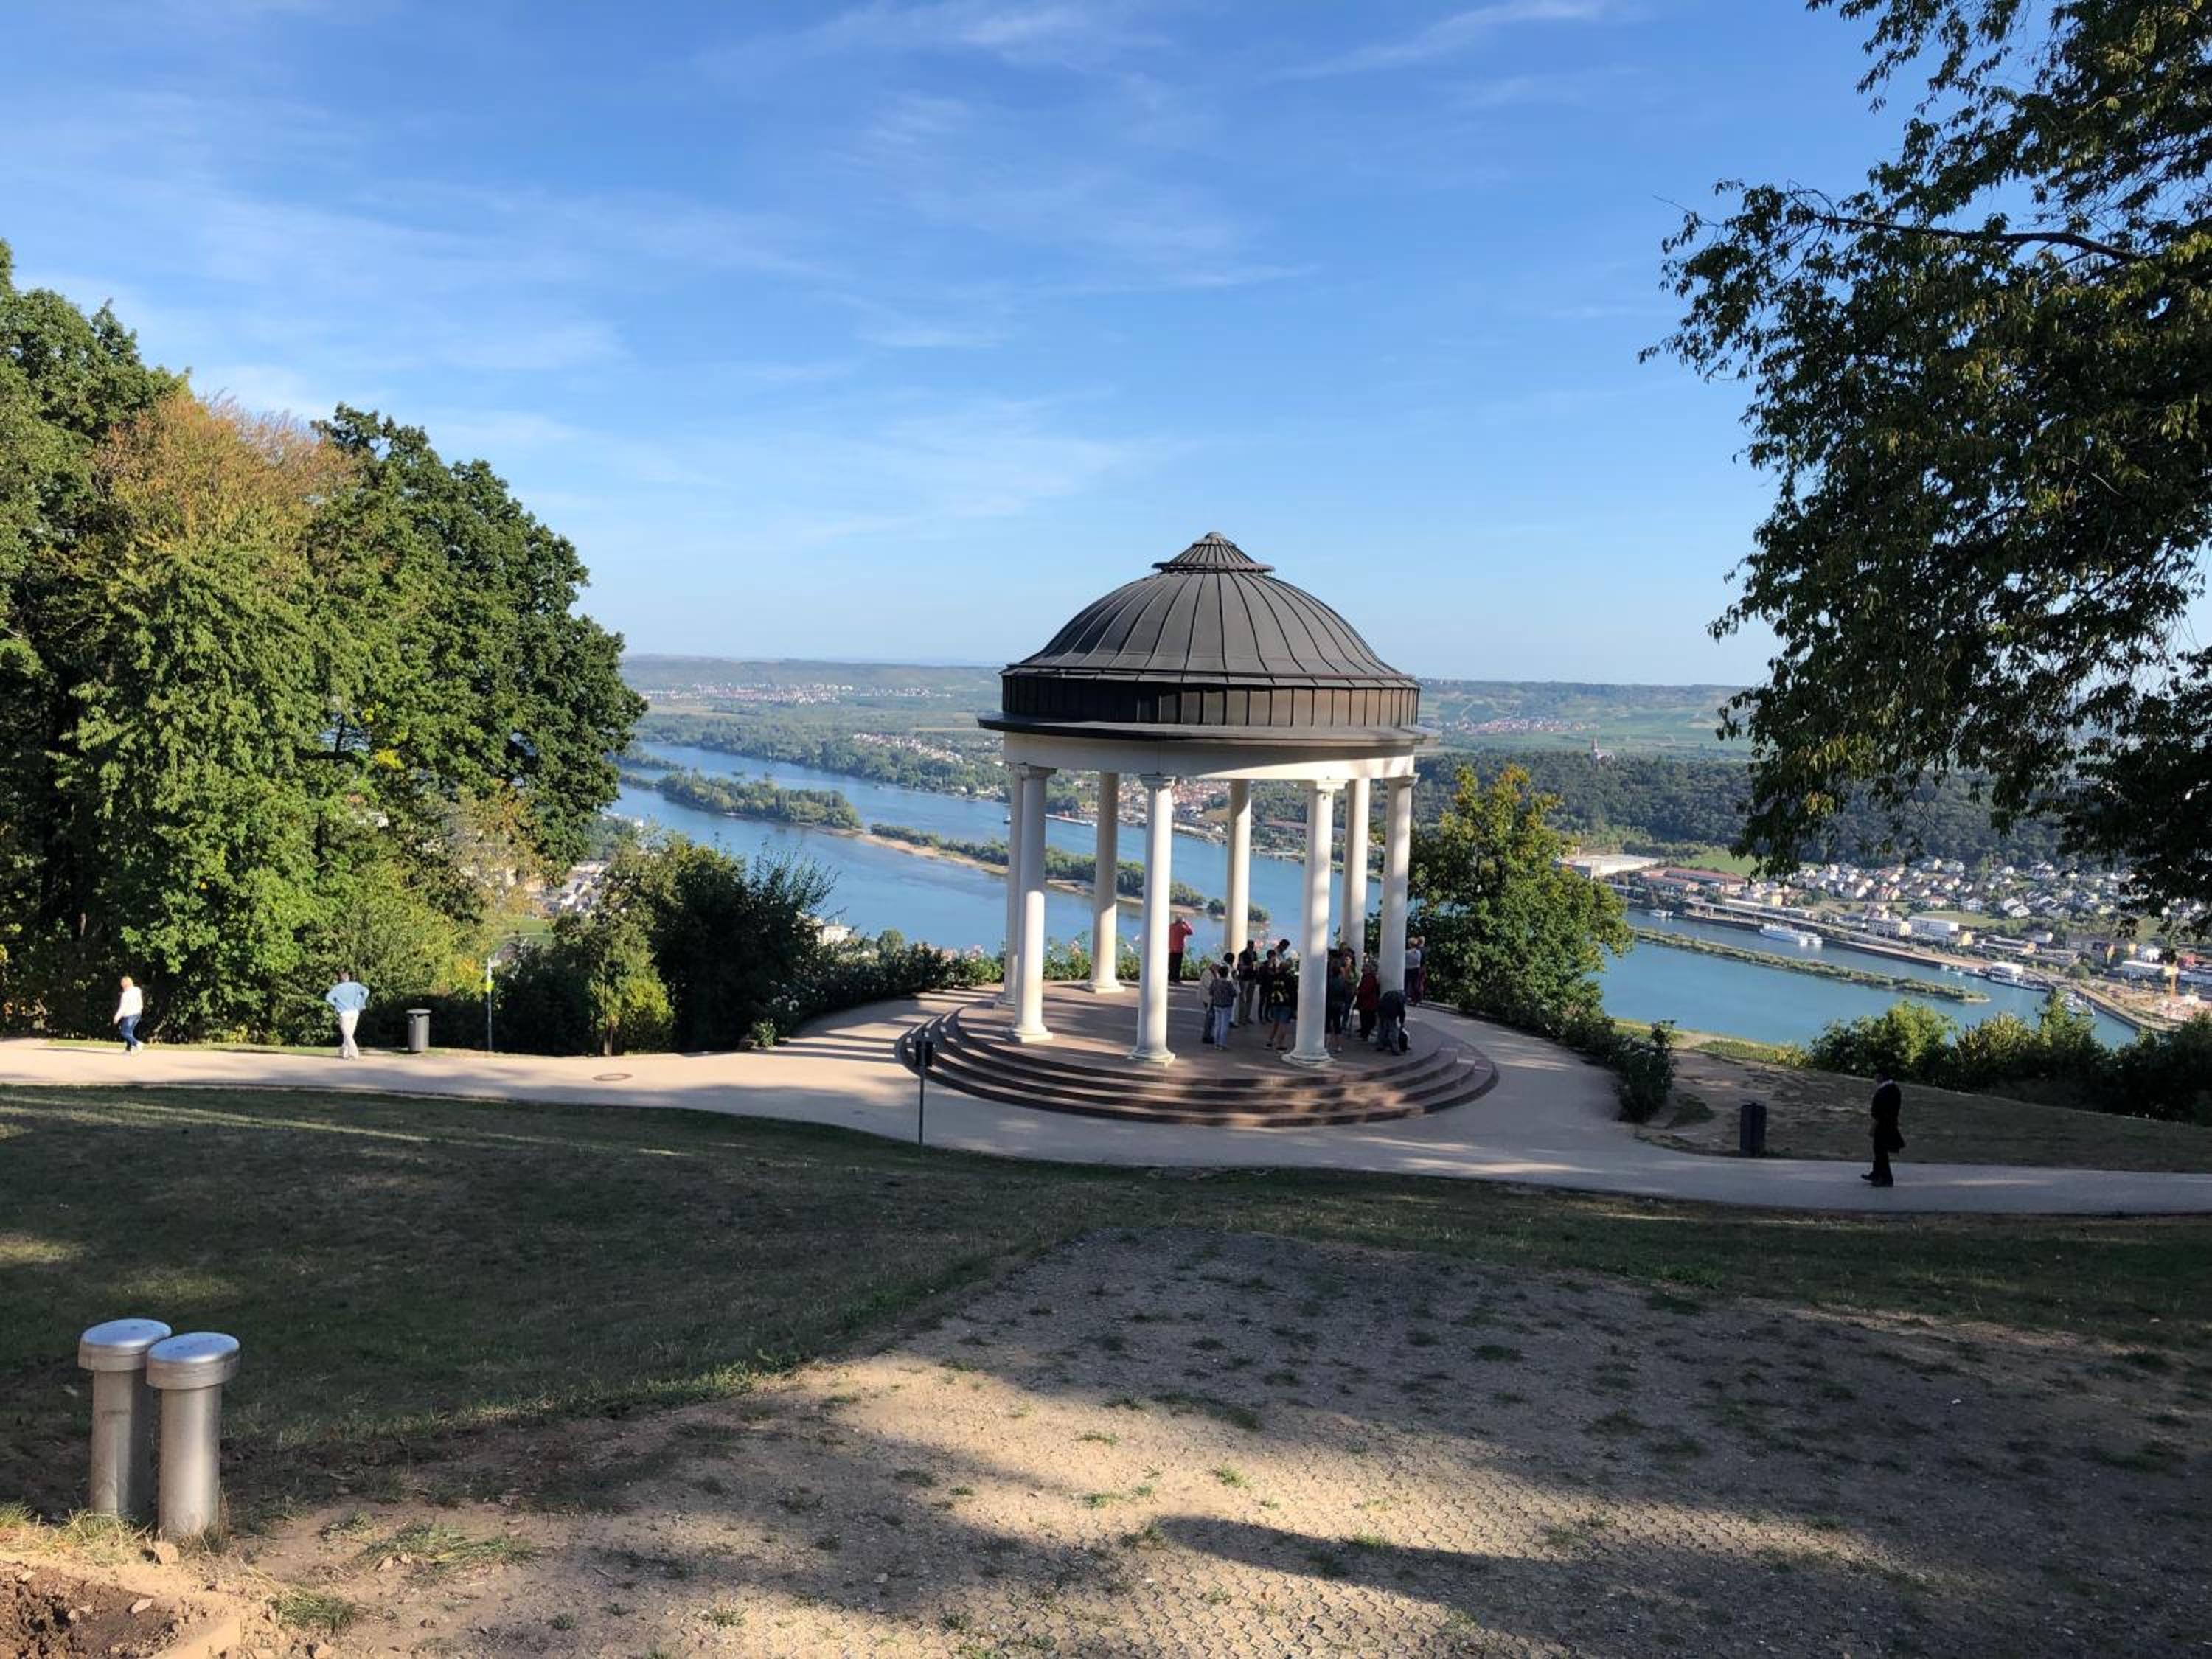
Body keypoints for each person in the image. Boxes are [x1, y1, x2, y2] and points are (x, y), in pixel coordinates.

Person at [1865, 1076, 1905, 1187]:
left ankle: (1886, 1179)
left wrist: (1874, 1126)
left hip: (1884, 1124)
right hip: (1888, 1123)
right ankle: (1877, 1173)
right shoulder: (1893, 1088)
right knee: (1879, 1150)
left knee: (1880, 1151)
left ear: (1882, 1076)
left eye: (1877, 1075)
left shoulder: (1886, 1091)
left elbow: (1881, 1111)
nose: (1875, 1077)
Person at [324, 970, 369, 1060]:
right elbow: (366, 991)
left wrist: (336, 1005)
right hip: (355, 1012)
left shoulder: (337, 988)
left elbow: (328, 998)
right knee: (349, 1034)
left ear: (340, 979)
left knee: (348, 1035)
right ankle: (344, 1052)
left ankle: (354, 1053)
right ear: (348, 978)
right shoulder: (356, 985)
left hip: (344, 1013)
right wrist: (361, 1001)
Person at [1324, 949, 1352, 1055]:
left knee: (1327, 1026)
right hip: (1338, 1005)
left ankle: (1326, 1046)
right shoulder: (1342, 982)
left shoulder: (1328, 982)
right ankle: (1339, 1046)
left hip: (1329, 1004)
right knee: (1337, 1026)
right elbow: (1346, 994)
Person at [1204, 961, 1238, 1047]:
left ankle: (1216, 1042)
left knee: (1217, 1024)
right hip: (1227, 1006)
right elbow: (1234, 994)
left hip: (1216, 1005)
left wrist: (1209, 1006)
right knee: (1224, 1025)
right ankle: (1222, 1043)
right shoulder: (1229, 984)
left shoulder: (1214, 982)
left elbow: (1211, 994)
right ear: (1227, 974)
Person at [1373, 985, 1408, 1054]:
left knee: (1382, 1029)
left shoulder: (1389, 994)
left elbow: (1381, 1002)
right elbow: (1402, 1012)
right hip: (1391, 1014)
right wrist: (1402, 1023)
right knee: (1393, 1031)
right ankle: (1395, 1049)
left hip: (1382, 1011)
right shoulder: (1401, 998)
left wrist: (1379, 1014)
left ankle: (1380, 1045)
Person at [1354, 956, 1380, 1043]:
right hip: (1366, 1002)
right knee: (1364, 1018)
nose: (1362, 970)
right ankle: (1364, 1032)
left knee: (1366, 1019)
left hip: (1368, 1003)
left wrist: (1359, 992)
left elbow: (1367, 990)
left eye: (1364, 969)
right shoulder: (1367, 977)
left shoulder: (1369, 978)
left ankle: (1365, 1034)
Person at [114, 976, 143, 1053]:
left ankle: (137, 1043)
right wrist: (140, 1008)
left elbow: (122, 1008)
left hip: (129, 1015)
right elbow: (140, 1001)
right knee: (129, 1032)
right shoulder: (137, 990)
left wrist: (117, 1017)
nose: (122, 987)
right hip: (138, 1013)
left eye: (123, 985)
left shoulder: (125, 995)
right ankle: (128, 1049)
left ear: (125, 985)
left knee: (125, 1032)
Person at [1234, 941, 1259, 1026]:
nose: (1252, 947)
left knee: (1250, 998)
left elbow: (1256, 964)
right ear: (1248, 945)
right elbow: (1241, 967)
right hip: (1244, 979)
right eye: (1251, 945)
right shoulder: (1242, 955)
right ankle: (1241, 1018)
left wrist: (1257, 967)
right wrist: (1249, 967)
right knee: (1243, 999)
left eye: (1253, 946)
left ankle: (1247, 1016)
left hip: (1253, 978)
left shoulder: (1255, 954)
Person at [1167, 914, 1194, 985]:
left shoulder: (1171, 927)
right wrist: (1186, 923)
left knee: (1171, 965)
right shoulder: (1182, 927)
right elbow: (1191, 932)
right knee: (1177, 965)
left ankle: (1170, 979)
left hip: (1171, 948)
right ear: (1182, 921)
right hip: (1179, 949)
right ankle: (1176, 980)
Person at [1405, 936, 1426, 1005]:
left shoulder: (1407, 952)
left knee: (1407, 984)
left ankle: (1406, 997)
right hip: (1416, 969)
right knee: (1416, 984)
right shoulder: (1418, 952)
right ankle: (1417, 1000)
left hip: (1408, 969)